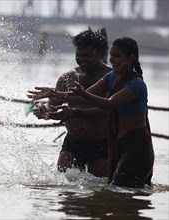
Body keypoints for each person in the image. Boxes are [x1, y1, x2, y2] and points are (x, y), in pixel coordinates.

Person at [29, 37, 154, 188]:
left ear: (130, 58)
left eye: (117, 56)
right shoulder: (111, 77)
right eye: (112, 55)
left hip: (132, 144)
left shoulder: (136, 84)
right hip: (112, 143)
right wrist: (52, 94)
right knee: (114, 191)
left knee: (124, 190)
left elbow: (109, 105)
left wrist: (75, 108)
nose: (112, 60)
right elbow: (80, 97)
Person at [29, 28, 111, 177]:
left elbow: (109, 109)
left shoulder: (110, 78)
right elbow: (52, 104)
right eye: (78, 55)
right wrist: (44, 110)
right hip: (73, 142)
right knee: (64, 182)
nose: (81, 59)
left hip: (102, 143)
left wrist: (72, 111)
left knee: (100, 187)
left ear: (100, 54)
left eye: (87, 55)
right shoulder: (68, 78)